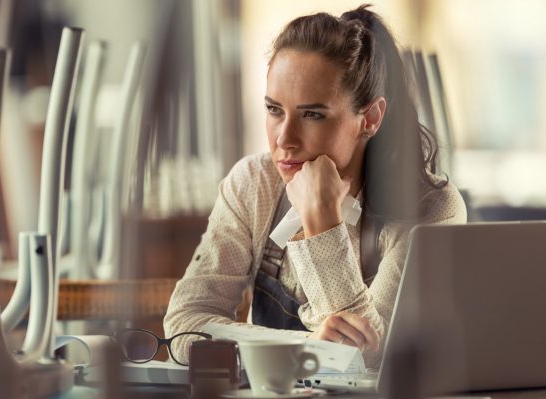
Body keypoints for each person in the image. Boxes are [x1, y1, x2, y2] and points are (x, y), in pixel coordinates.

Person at [164, 4, 466, 368]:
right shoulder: (254, 184)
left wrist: (322, 222)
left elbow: (372, 359)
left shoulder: (433, 208)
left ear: (369, 119)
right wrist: (303, 349)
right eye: (275, 110)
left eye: (312, 115)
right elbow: (184, 325)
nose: (284, 140)